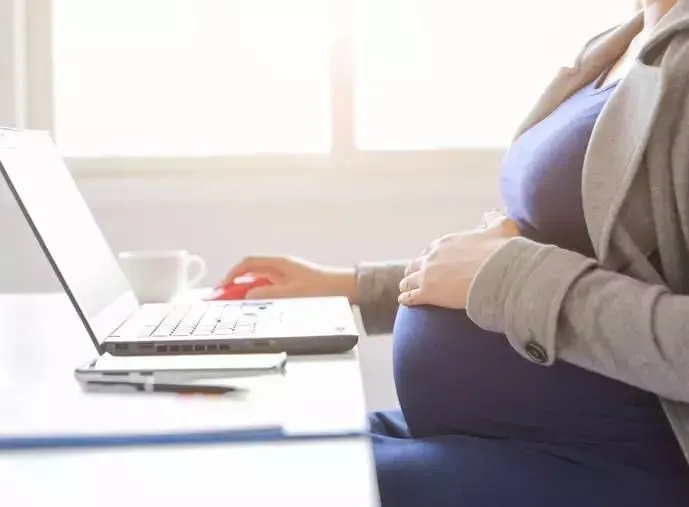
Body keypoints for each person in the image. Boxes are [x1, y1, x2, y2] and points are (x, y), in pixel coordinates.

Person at [220, 1, 689, 505]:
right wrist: (355, 287)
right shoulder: (622, 42)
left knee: (246, 477)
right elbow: (538, 252)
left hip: (607, 463)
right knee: (229, 442)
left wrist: (507, 278)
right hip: (503, 436)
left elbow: (510, 271)